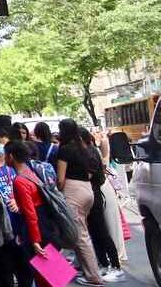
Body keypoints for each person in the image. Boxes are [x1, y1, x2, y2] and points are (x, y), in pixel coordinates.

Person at [55, 120, 104, 287]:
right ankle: (88, 271)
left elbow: (60, 180)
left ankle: (93, 276)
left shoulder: (64, 150)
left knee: (80, 235)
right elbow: (91, 172)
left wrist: (58, 190)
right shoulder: (83, 148)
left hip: (73, 191)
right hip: (87, 190)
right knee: (81, 231)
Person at [0, 128, 27, 287]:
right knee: (3, 267)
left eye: (5, 142)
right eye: (0, 142)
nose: (2, 146)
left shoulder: (14, 165)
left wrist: (18, 201)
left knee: (23, 266)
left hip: (17, 221)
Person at [80, 130, 124, 282]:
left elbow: (89, 175)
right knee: (95, 232)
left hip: (95, 196)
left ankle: (116, 267)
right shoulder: (88, 152)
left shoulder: (90, 153)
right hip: (92, 195)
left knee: (101, 232)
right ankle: (104, 264)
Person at [7, 139, 49, 286]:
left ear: (11, 156)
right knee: (50, 274)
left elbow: (30, 212)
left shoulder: (19, 180)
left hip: (35, 229)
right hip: (45, 225)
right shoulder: (30, 172)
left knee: (42, 275)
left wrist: (35, 241)